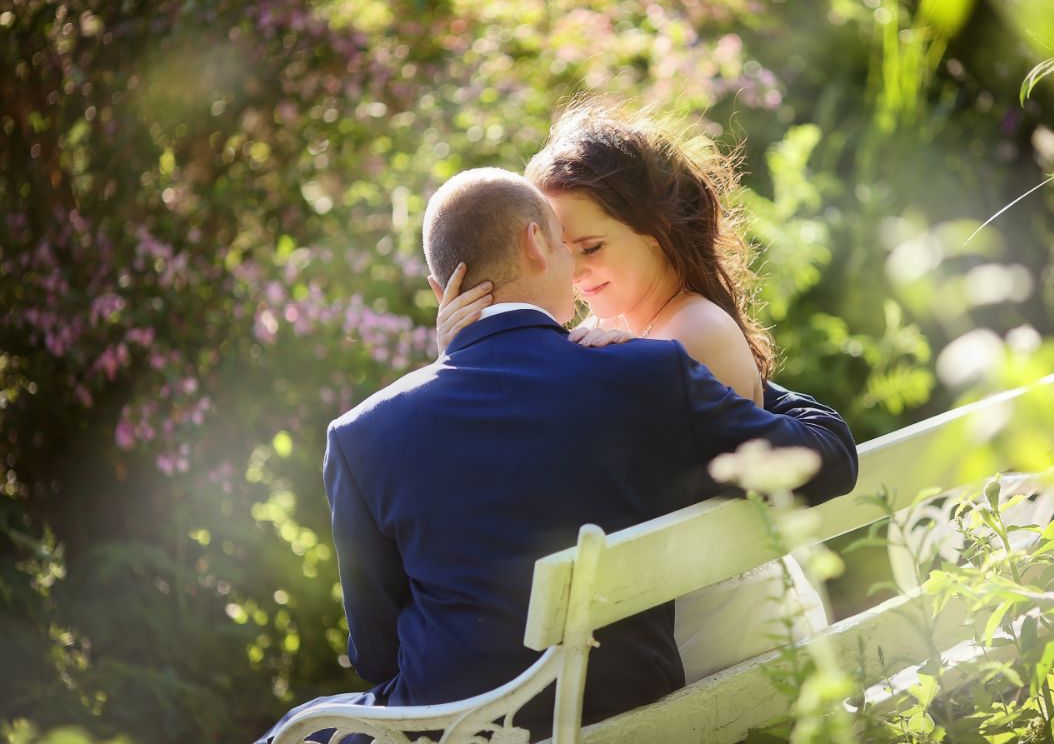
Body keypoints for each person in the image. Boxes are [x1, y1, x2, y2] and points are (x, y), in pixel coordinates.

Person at [256, 167, 856, 743]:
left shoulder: (361, 434)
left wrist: (451, 360)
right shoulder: (646, 374)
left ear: (443, 291)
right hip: (628, 708)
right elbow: (829, 457)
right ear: (537, 243)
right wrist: (735, 377)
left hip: (454, 727)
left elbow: (376, 656)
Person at [432, 101, 830, 683]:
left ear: (657, 230)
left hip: (714, 640)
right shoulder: (630, 335)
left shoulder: (685, 337)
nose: (575, 273)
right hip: (677, 622)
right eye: (563, 253)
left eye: (592, 247)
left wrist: (465, 366)